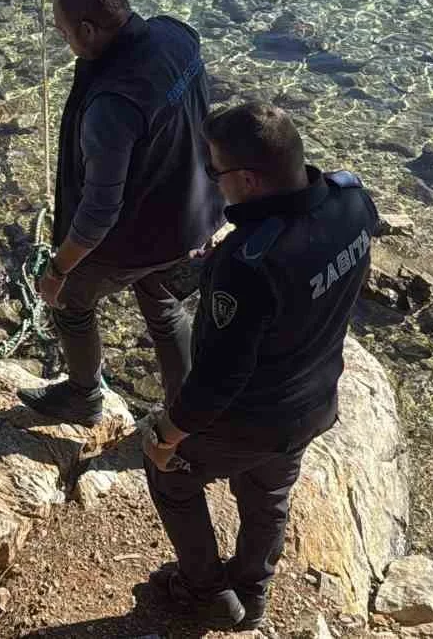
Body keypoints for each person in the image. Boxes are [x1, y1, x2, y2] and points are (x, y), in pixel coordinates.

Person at [138, 101, 378, 631]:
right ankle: (254, 587)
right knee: (268, 493)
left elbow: (220, 379)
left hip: (249, 419)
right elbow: (341, 279)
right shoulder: (354, 202)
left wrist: (169, 434)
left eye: (214, 171)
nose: (212, 180)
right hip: (315, 402)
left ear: (246, 179)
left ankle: (206, 591)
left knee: (168, 475)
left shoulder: (249, 263)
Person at [18, 0, 226, 426]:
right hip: (190, 214)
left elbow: (98, 212)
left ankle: (83, 396)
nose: (65, 42)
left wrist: (57, 269)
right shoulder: (178, 35)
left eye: (64, 33)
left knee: (71, 300)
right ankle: (187, 414)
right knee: (163, 304)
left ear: (88, 31)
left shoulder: (111, 105)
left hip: (136, 234)